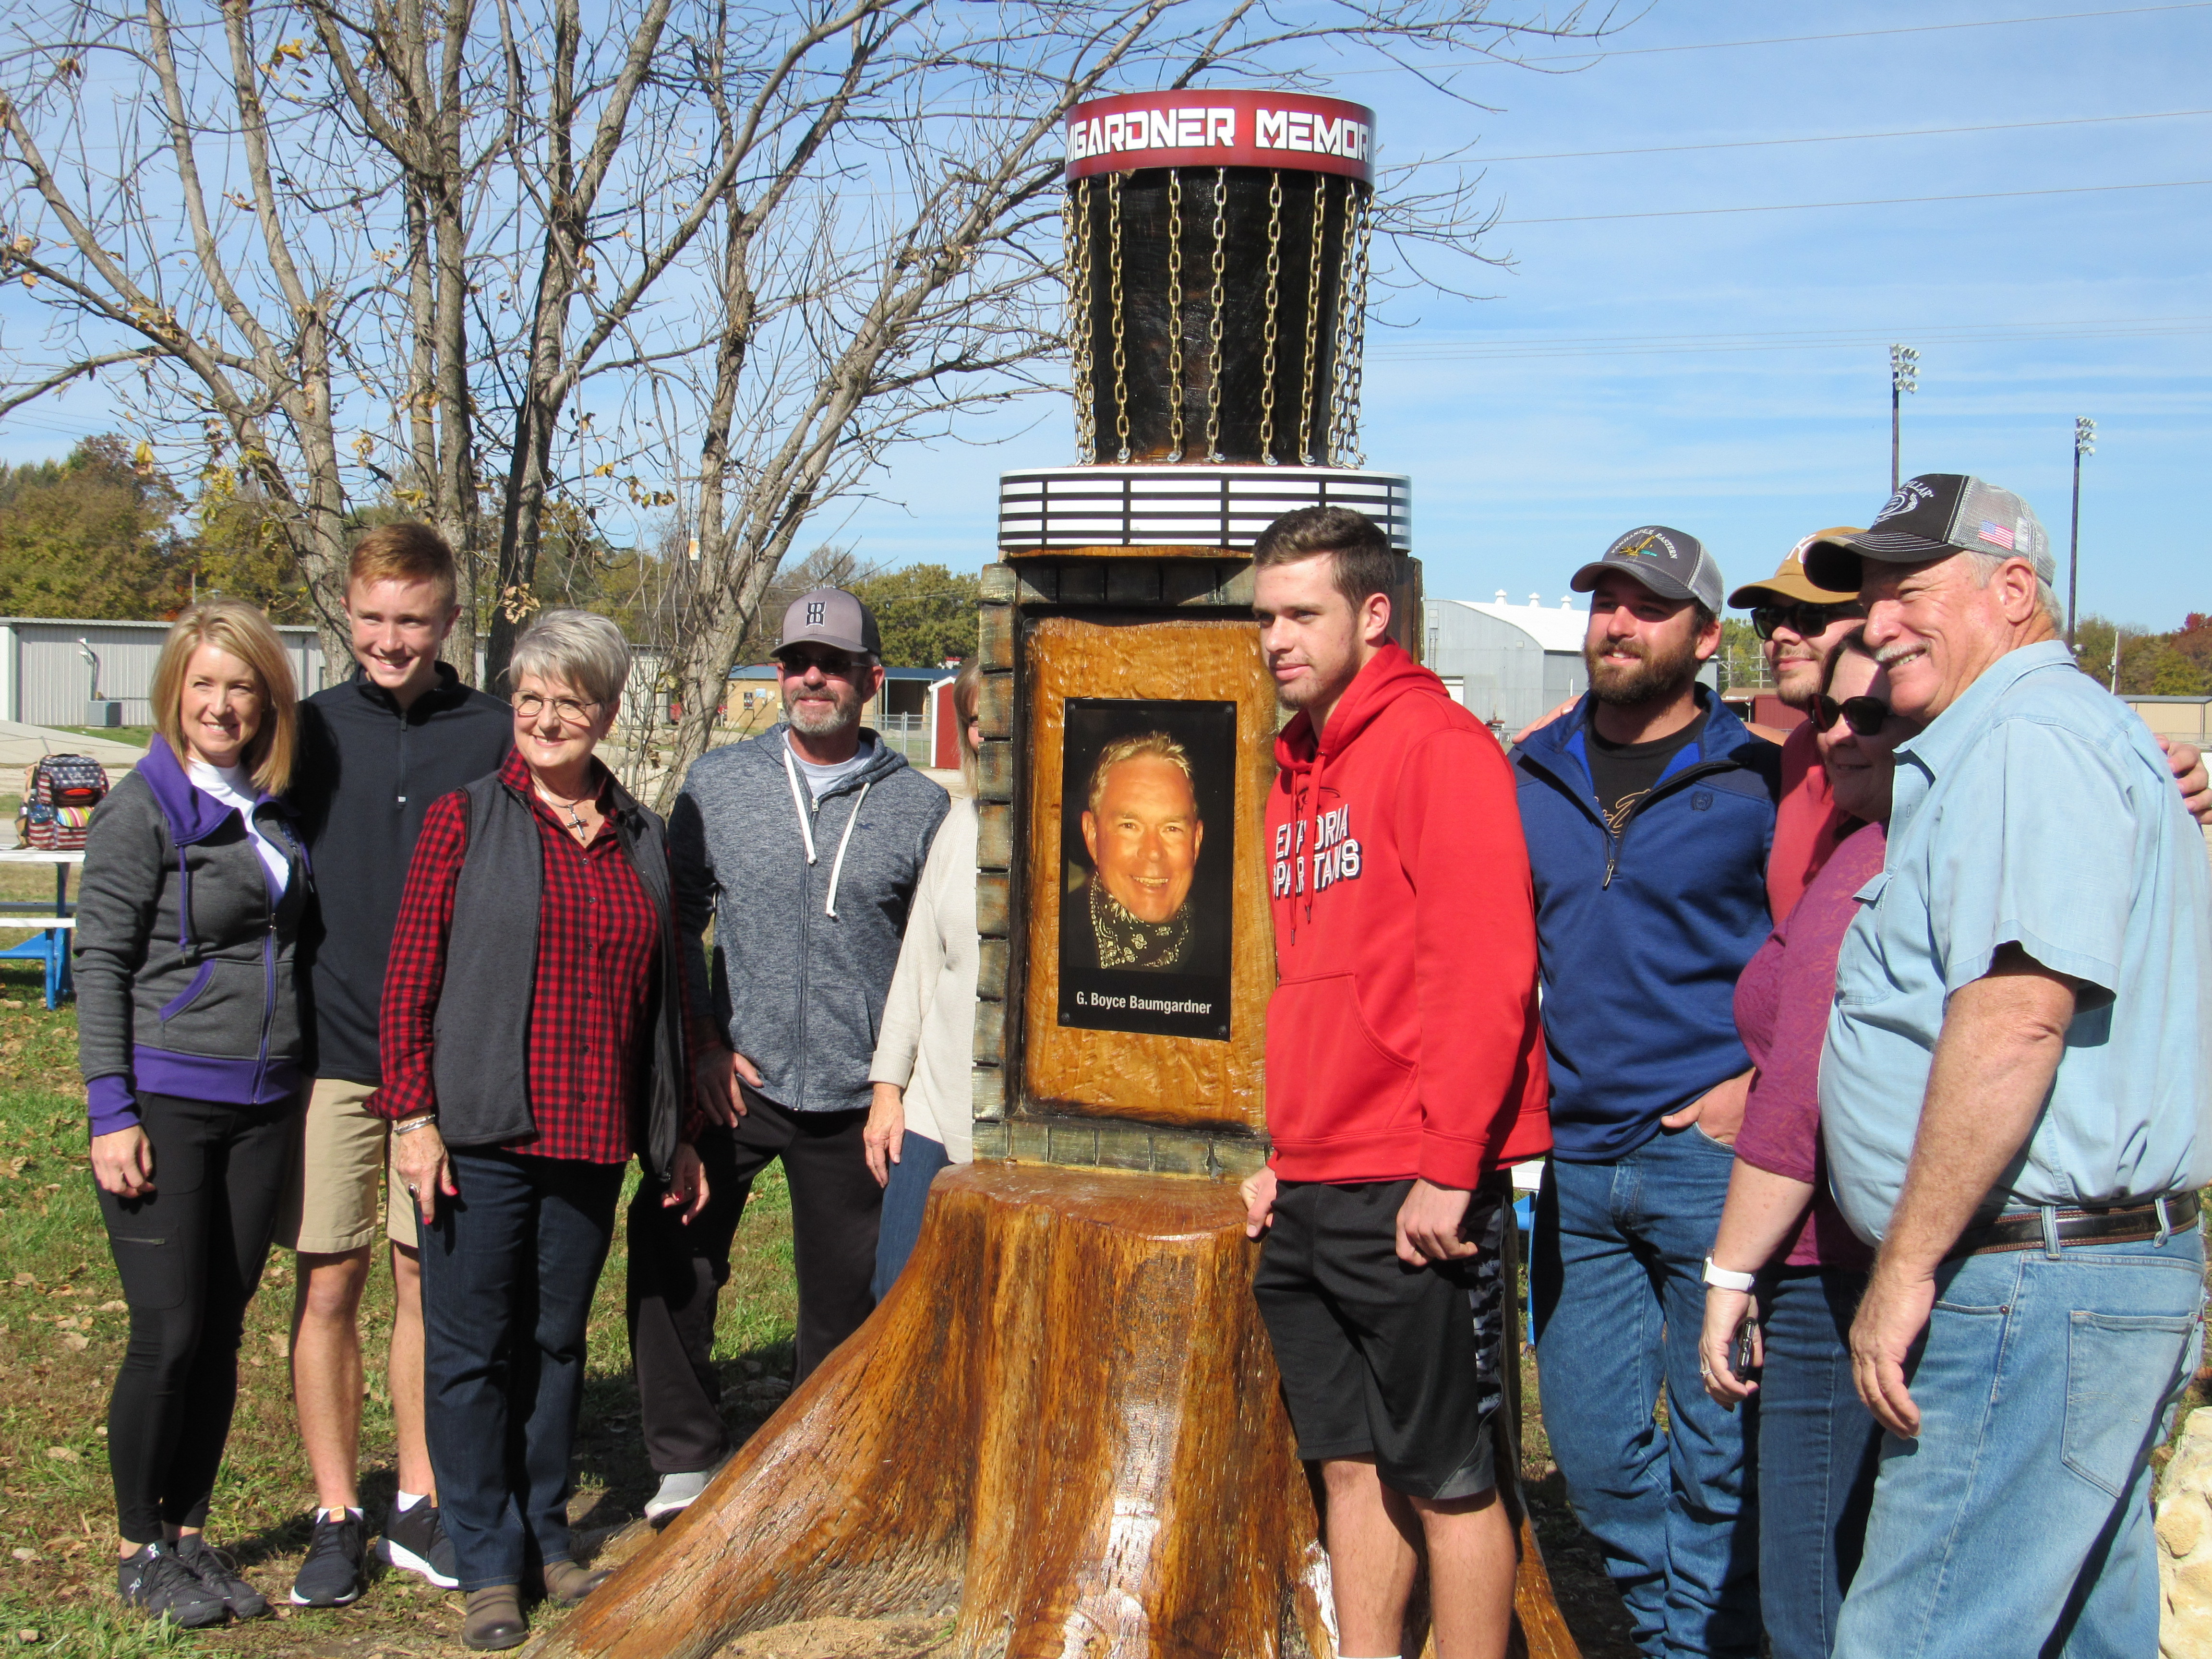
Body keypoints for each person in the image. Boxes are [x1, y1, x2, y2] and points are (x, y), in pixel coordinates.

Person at [1798, 476, 2211, 1659]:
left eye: (1908, 591)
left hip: (2031, 1280)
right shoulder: (2017, 736)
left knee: (1917, 1636)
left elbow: (2020, 1012)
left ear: (2012, 590)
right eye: (1869, 597)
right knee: (2086, 1631)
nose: (1877, 622)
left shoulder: (2025, 738)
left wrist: (1905, 1267)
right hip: (2072, 1276)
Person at [1240, 506, 1551, 1659]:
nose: (1276, 636)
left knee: (1451, 1472)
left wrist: (1447, 1165)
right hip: (1317, 1176)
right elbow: (1316, 980)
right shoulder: (1292, 772)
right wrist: (1285, 1150)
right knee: (1352, 1457)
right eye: (1264, 615)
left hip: (1416, 1182)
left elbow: (1484, 971)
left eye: (1301, 613)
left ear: (1375, 614)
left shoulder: (1437, 749)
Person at [377, 610, 708, 1652]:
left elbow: (673, 998)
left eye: (570, 700)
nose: (546, 717)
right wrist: (413, 1117)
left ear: (608, 712)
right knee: (473, 1352)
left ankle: (543, 1526)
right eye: (530, 698)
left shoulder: (642, 835)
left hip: (588, 1135)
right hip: (476, 1132)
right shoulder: (464, 820)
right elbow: (408, 982)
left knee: (557, 1343)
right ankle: (483, 1557)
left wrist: (679, 1130)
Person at [629, 587, 949, 1523]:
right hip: (740, 1078)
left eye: (837, 664)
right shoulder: (717, 786)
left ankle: (813, 1469)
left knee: (841, 1309)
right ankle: (685, 1459)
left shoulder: (921, 807)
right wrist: (701, 1046)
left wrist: (899, 1086)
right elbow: (678, 923)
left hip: (860, 1094)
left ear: (871, 680)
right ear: (778, 674)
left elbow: (936, 958)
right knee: (668, 1249)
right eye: (799, 662)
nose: (815, 678)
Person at [1512, 525, 1776, 1658]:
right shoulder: (1529, 769)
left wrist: (1755, 1083)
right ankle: (1687, 1628)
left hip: (1711, 1159)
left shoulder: (1766, 775)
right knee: (1593, 1447)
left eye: (1648, 606)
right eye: (1604, 602)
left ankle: (1691, 1645)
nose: (1616, 624)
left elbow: (1839, 946)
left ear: (1706, 637)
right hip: (1576, 1159)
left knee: (1719, 1445)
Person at [281, 523, 510, 1607]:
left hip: (442, 1063)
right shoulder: (308, 731)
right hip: (331, 1055)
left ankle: (421, 1494)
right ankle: (337, 1507)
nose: (389, 638)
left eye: (411, 619)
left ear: (448, 620)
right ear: (348, 613)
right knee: (331, 1277)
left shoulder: (494, 732)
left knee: (429, 1277)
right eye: (371, 617)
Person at [75, 601, 310, 1629]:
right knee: (167, 1332)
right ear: (176, 689)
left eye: (242, 685)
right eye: (204, 684)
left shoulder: (271, 803)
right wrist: (108, 1109)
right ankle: (136, 1547)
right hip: (166, 1098)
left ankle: (189, 1538)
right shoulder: (144, 811)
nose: (221, 704)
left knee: (220, 1331)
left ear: (267, 700)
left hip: (264, 1104)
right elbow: (101, 962)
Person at [1697, 633, 1892, 1659]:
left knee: (1813, 1581)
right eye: (1835, 715)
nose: (1846, 733)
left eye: (1877, 714)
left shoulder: (1887, 857)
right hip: (1843, 1256)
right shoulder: (1848, 841)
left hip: (1834, 1264)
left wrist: (1732, 1269)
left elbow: (1803, 1090)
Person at [865, 661, 982, 1295]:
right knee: (899, 1297)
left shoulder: (1075, 830)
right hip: (936, 1110)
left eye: (1004, 716)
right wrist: (889, 1090)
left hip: (1020, 1140)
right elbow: (919, 963)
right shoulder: (959, 827)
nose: (988, 731)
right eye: (973, 720)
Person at [1725, 531, 1865, 919]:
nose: (1783, 635)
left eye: (1811, 615)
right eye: (1770, 619)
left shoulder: (1918, 750)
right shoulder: (1803, 746)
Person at [1070, 732, 1205, 973]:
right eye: (1130, 826)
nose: (1153, 852)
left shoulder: (1229, 948)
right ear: (1092, 835)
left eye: (1172, 829)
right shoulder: (1053, 941)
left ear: (1196, 842)